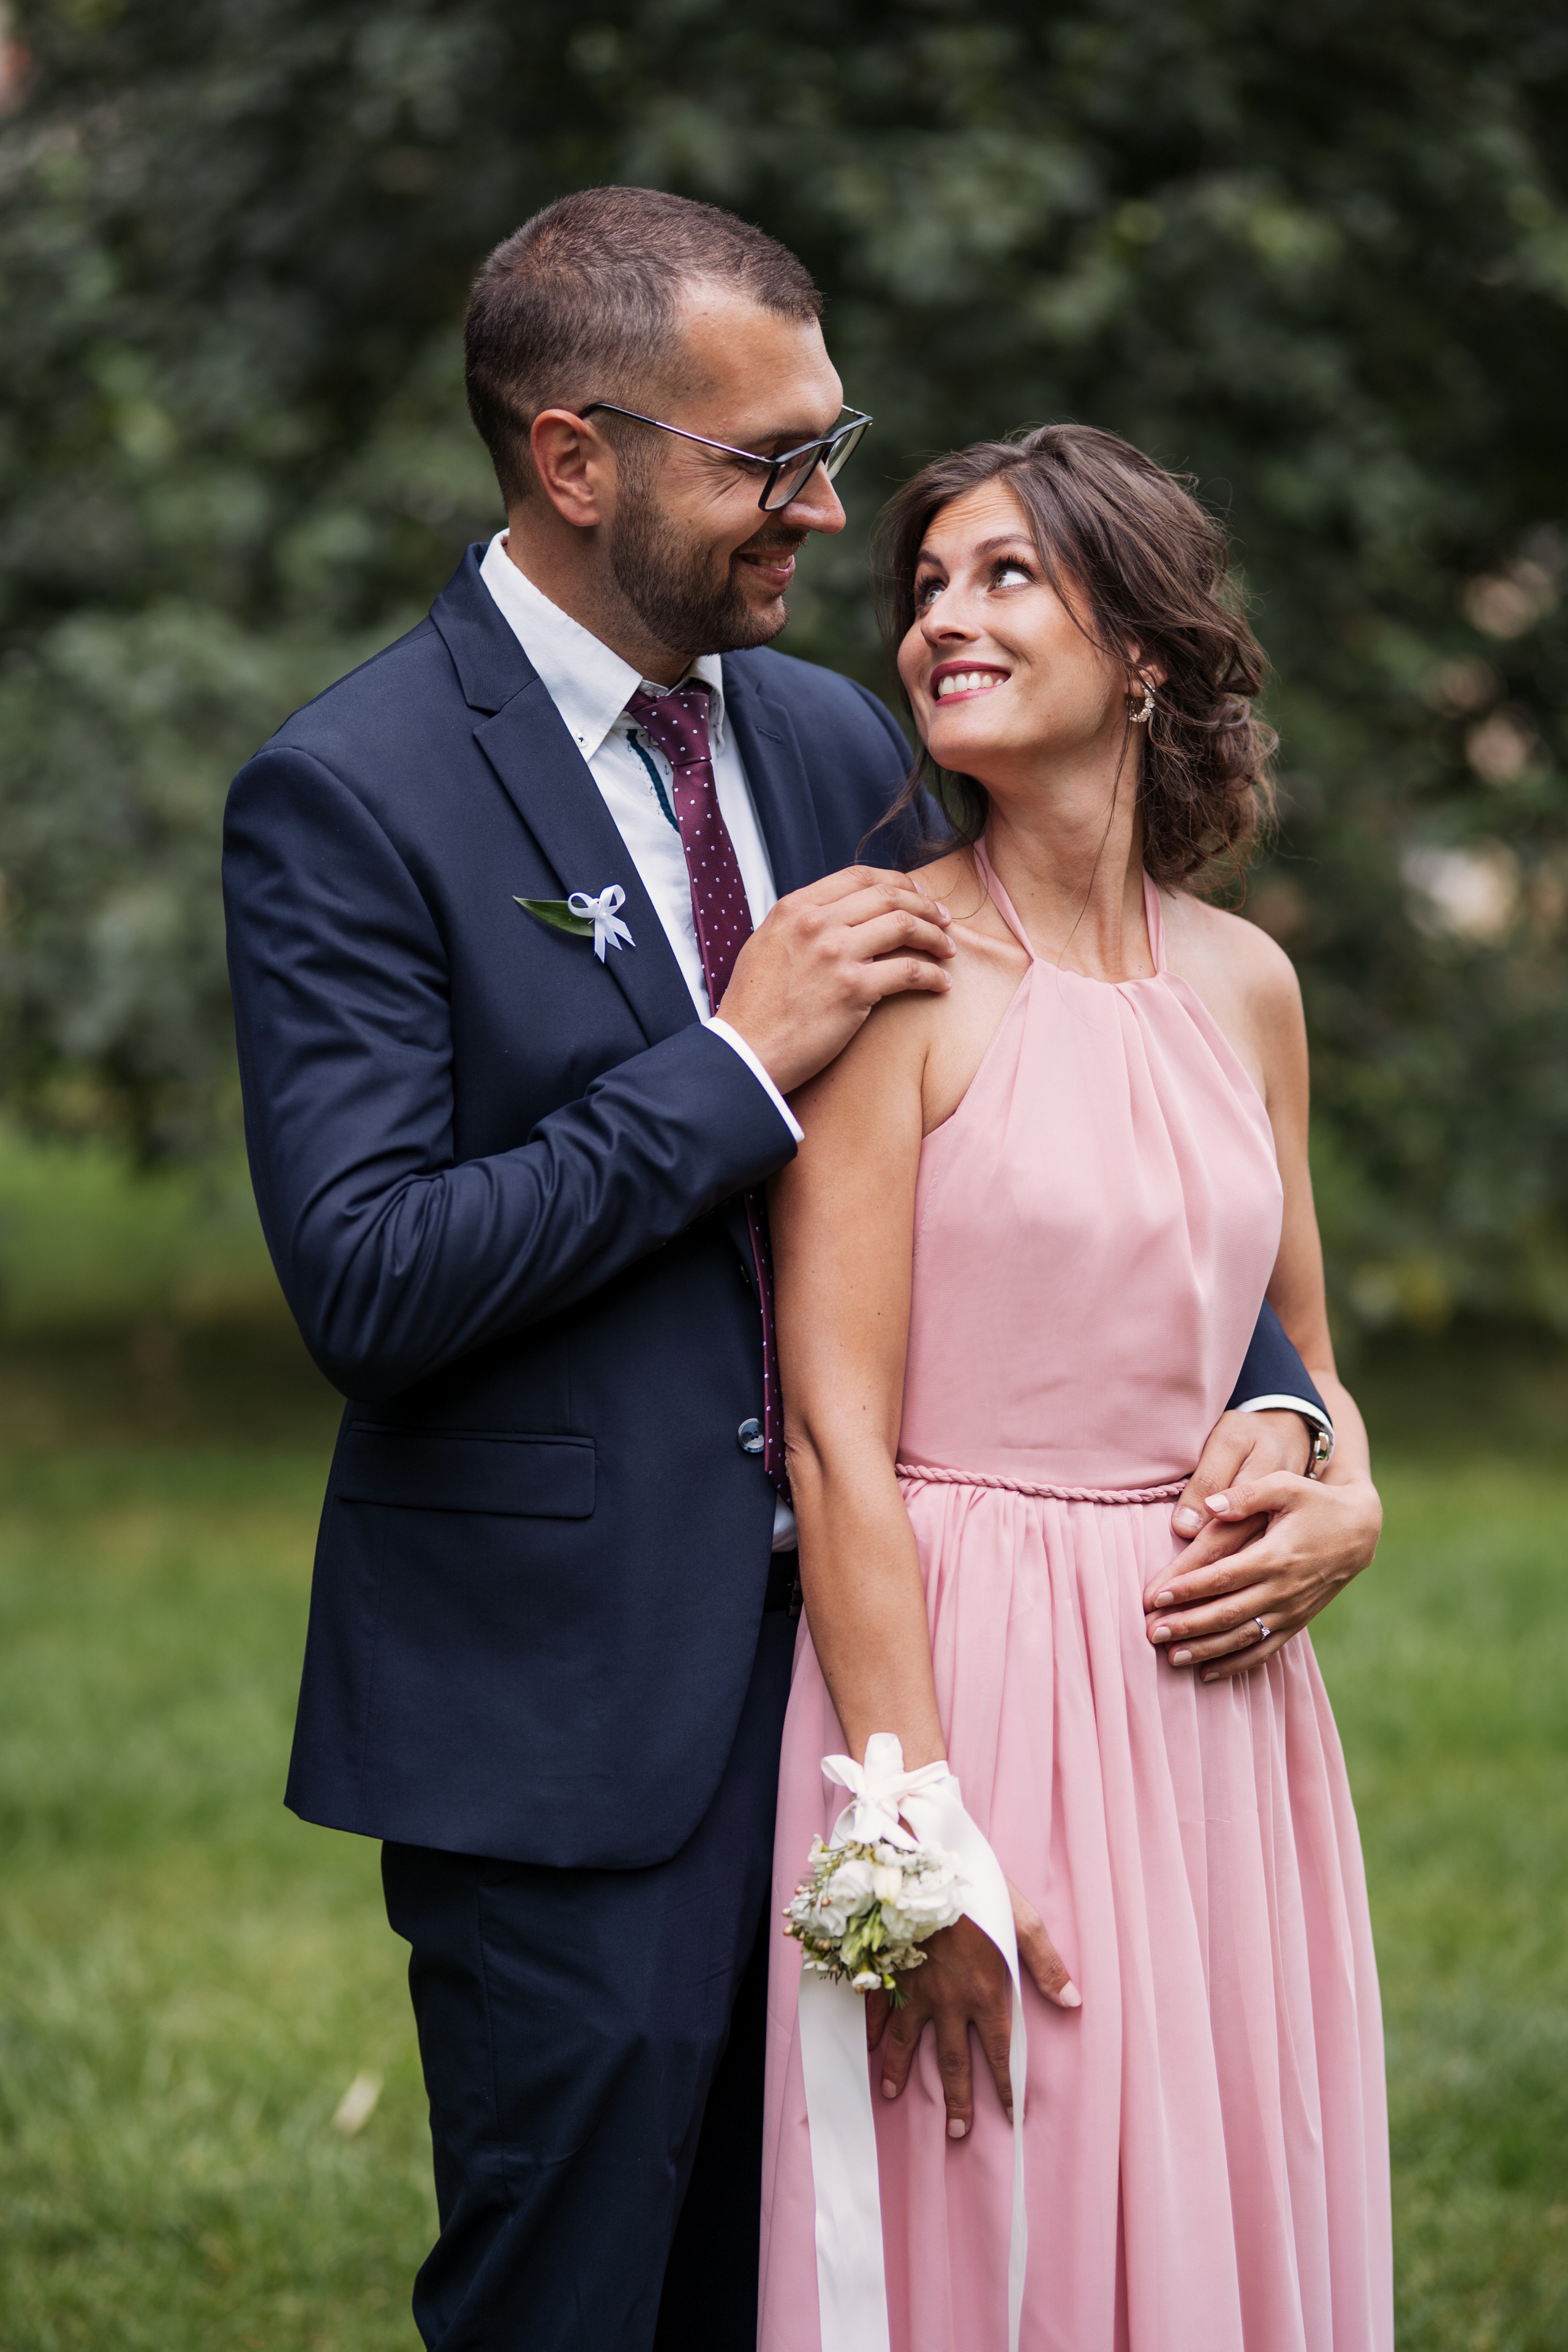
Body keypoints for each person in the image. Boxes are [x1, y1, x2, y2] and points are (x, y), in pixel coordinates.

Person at [223, 188, 1345, 2352]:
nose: (826, 514)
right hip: (569, 1714)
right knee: (585, 2292)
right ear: (578, 460)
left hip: (893, 1674)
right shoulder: (351, 795)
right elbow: (368, 1280)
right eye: (771, 460)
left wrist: (1288, 1398)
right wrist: (736, 1061)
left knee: (846, 2283)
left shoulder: (834, 746)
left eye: (833, 445)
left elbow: (1073, 1138)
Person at [760, 425, 1390, 2351]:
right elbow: (834, 1440)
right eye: (928, 585)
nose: (946, 613)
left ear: (1145, 652)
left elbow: (1301, 1359)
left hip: (1222, 1707)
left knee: (1220, 2195)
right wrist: (913, 1830)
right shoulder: (895, 972)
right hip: (971, 1671)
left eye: (1008, 574)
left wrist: (1342, 1485)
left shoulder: (1245, 986)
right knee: (997, 2209)